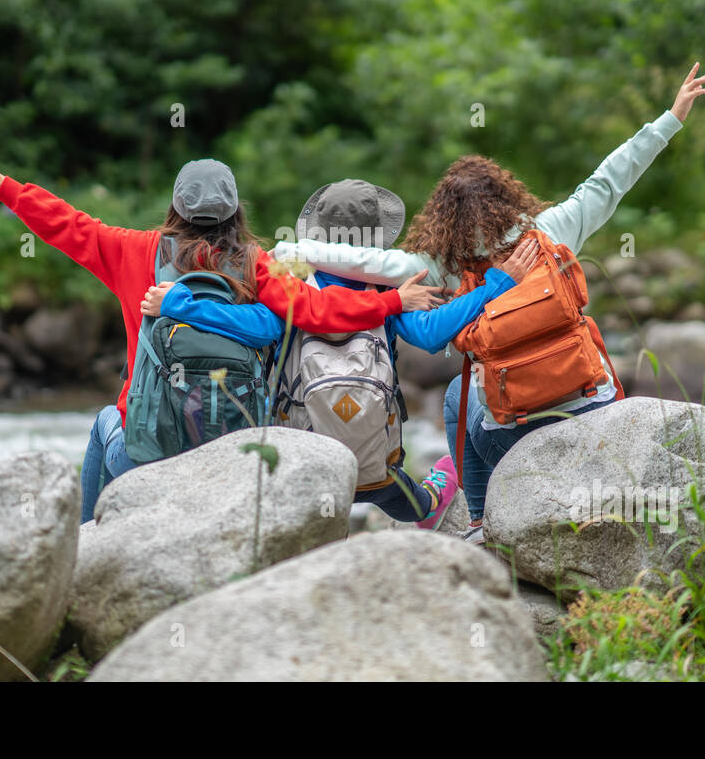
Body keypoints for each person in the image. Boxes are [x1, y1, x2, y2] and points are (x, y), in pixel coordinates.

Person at [265, 63, 705, 542]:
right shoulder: (550, 233)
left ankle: (479, 522)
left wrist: (292, 251)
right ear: (507, 195)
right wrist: (671, 117)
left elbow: (370, 263)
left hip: (507, 431)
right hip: (593, 402)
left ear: (442, 217)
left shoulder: (440, 264)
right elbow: (607, 182)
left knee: (459, 395)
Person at [0, 137, 445, 522]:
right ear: (235, 211)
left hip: (144, 452)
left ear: (176, 209)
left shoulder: (134, 251)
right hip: (232, 450)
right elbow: (314, 309)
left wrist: (2, 185)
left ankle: (90, 545)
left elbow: (67, 224)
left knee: (101, 425)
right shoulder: (256, 263)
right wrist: (395, 299)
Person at [142, 178, 543, 528]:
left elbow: (257, 327)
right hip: (374, 470)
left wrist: (181, 305)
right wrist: (497, 283)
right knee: (416, 504)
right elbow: (432, 334)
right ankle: (437, 493)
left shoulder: (292, 279)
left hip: (300, 465)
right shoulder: (388, 290)